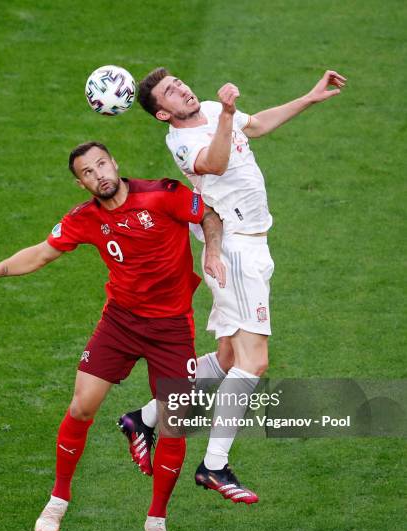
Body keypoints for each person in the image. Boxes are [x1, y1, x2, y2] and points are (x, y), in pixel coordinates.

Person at [0, 141, 225, 531]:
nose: (98, 174)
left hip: (172, 329)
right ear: (81, 181)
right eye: (88, 172)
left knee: (175, 425)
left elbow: (208, 215)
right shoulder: (85, 219)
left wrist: (211, 248)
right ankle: (59, 498)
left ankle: (156, 520)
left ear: (115, 163)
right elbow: (42, 252)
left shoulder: (162, 194)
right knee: (82, 406)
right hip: (120, 322)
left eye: (102, 164)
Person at [119, 68, 347, 503]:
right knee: (253, 362)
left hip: (252, 246)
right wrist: (225, 113)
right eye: (171, 91)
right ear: (162, 114)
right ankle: (214, 465)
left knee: (227, 357)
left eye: (180, 82)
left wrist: (310, 97)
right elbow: (215, 163)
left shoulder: (206, 109)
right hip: (235, 252)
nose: (183, 88)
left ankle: (143, 418)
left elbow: (256, 125)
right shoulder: (182, 142)